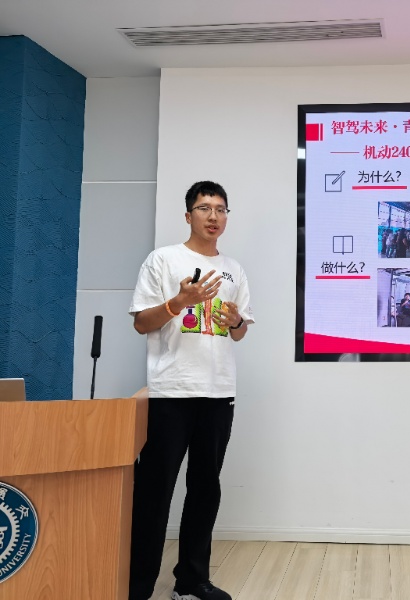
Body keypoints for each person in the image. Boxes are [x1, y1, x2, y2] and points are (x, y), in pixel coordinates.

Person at [128, 181, 255, 600]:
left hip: (219, 392)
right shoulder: (163, 259)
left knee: (205, 488)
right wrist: (179, 302)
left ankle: (191, 581)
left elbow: (238, 333)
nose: (213, 216)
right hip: (171, 392)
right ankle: (137, 585)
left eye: (221, 209)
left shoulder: (234, 269)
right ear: (188, 215)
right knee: (155, 490)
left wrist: (236, 321)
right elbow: (141, 323)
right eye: (204, 208)